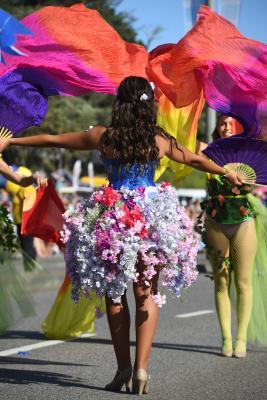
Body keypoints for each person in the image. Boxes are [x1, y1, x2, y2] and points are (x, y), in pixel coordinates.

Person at [0, 77, 243, 395]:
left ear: (120, 104)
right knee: (146, 294)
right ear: (148, 105)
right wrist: (227, 171)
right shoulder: (159, 140)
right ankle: (142, 370)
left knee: (114, 296)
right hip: (152, 218)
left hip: (113, 216)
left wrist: (12, 143)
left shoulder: (104, 136)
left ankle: (123, 369)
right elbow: (195, 159)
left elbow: (56, 140)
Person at [196, 114, 267, 358]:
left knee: (243, 282)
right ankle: (226, 338)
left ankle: (241, 338)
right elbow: (182, 141)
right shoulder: (207, 151)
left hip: (243, 221)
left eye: (231, 122)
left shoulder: (251, 152)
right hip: (215, 221)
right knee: (221, 280)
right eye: (222, 123)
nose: (226, 127)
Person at [0, 154, 46, 335]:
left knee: (27, 246)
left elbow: (19, 180)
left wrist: (33, 178)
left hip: (25, 218)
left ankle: (31, 271)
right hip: (21, 218)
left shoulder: (10, 170)